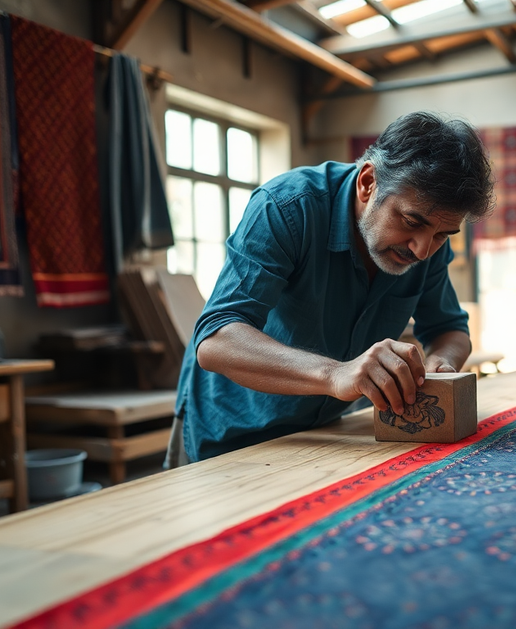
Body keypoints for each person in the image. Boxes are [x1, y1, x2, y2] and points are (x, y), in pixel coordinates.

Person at [168, 112, 494, 463]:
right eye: (411, 221)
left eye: (443, 235)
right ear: (368, 183)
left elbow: (449, 330)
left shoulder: (427, 245)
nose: (422, 249)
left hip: (326, 435)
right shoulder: (286, 207)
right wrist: (336, 373)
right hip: (228, 434)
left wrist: (441, 364)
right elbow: (216, 341)